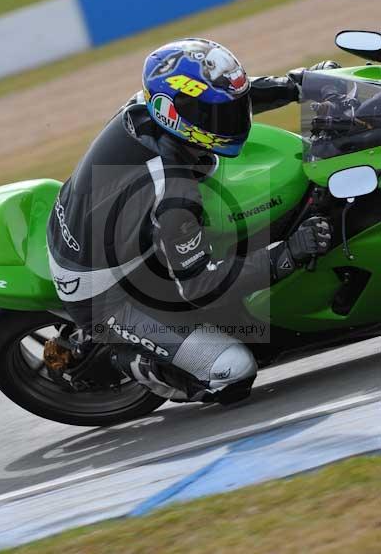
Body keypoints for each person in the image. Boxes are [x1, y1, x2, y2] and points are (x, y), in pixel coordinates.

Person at [47, 38, 334, 405]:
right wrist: (287, 254)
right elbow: (200, 285)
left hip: (103, 228)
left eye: (227, 110)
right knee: (232, 369)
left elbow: (231, 99)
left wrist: (298, 85)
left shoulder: (154, 104)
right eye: (217, 116)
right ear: (176, 114)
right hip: (106, 295)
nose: (231, 118)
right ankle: (128, 360)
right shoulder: (173, 189)